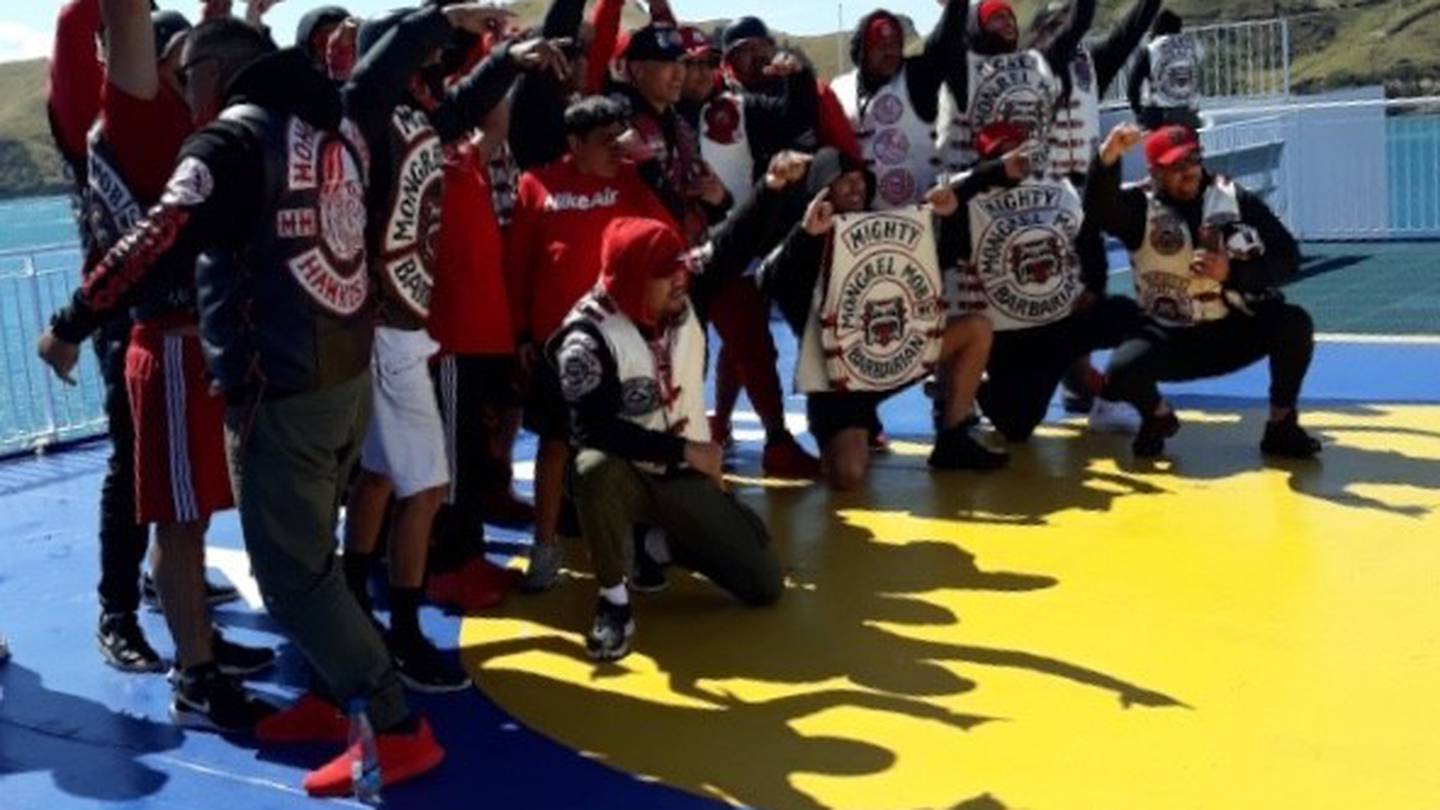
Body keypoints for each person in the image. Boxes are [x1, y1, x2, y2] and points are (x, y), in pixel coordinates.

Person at [58, 12, 500, 794]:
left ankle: (395, 727)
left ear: (215, 74)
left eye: (190, 74)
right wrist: (435, 22)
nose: (184, 89)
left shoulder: (229, 142)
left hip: (280, 390)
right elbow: (380, 75)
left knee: (292, 576)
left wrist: (70, 323)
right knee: (317, 557)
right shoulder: (330, 117)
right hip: (343, 379)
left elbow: (156, 234)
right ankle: (335, 700)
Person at [39, 0, 275, 721]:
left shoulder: (189, 127)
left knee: (192, 513)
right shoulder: (140, 120)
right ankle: (194, 674)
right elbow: (122, 24)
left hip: (201, 341)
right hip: (164, 344)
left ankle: (196, 637)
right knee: (172, 514)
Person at [339, 4, 564, 693]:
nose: (435, 73)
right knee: (426, 485)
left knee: (380, 477)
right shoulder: (365, 122)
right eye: (422, 63)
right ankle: (399, 628)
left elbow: (465, 107)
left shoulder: (412, 121)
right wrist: (447, 21)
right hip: (386, 328)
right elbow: (398, 85)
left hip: (399, 330)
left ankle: (360, 611)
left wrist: (505, 61)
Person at [551, 152, 810, 661]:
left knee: (763, 585)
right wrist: (685, 450)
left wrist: (773, 186)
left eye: (678, 270)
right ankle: (614, 602)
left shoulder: (681, 291)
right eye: (664, 274)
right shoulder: (584, 338)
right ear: (630, 279)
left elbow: (731, 242)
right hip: (632, 470)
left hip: (681, 475)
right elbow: (591, 430)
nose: (680, 281)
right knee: (591, 468)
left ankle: (658, 546)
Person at [506, 95, 681, 593]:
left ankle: (634, 547)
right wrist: (520, 333)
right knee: (555, 444)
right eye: (604, 141)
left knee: (629, 446)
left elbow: (669, 231)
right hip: (555, 345)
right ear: (574, 143)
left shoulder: (631, 180)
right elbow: (517, 266)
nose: (614, 149)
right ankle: (544, 547)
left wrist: (645, 165)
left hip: (623, 342)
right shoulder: (535, 184)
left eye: (619, 138)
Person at [757, 148, 1007, 490]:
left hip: (894, 358)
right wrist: (805, 235)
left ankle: (953, 436)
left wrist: (949, 217)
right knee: (847, 476)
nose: (855, 187)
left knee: (976, 329)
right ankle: (852, 432)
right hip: (838, 381)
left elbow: (938, 264)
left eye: (860, 179)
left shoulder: (884, 226)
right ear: (822, 189)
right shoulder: (803, 235)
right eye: (844, 182)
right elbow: (767, 280)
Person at [1086, 123, 1322, 459]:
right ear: (1155, 172)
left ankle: (1281, 425)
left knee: (1295, 323)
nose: (1188, 172)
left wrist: (1234, 272)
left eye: (1192, 160)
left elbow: (1289, 259)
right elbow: (1097, 209)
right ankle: (1156, 416)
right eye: (1176, 166)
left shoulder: (1234, 198)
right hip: (1172, 337)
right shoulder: (1139, 207)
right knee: (1122, 370)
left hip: (1234, 328)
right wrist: (1107, 159)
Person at [673, 24, 822, 479]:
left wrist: (798, 71)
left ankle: (773, 439)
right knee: (680, 360)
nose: (697, 73)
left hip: (729, 248)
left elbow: (795, 117)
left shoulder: (736, 109)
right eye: (687, 64)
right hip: (666, 261)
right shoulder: (642, 114)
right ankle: (685, 444)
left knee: (751, 344)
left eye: (705, 62)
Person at [943, 122, 1143, 443]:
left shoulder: (1059, 187)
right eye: (1002, 154)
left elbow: (1088, 235)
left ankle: (1109, 399)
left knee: (1130, 317)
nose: (1015, 159)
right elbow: (943, 235)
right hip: (1011, 335)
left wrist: (1094, 285)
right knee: (1016, 426)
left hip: (1064, 320)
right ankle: (974, 381)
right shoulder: (967, 204)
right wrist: (987, 176)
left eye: (1019, 151)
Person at [1030, 0, 1160, 421]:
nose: (1063, 30)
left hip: (1081, 194)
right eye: (1056, 23)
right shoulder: (1030, 66)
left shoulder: (1091, 64)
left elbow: (1128, 32)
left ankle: (1078, 374)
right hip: (1036, 197)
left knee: (1093, 279)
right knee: (1042, 286)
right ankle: (1038, 373)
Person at [830, 3, 967, 210]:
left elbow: (943, 44)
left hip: (926, 211)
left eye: (894, 43)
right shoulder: (840, 88)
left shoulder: (916, 76)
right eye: (880, 45)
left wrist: (955, 6)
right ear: (862, 52)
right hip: (865, 218)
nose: (890, 51)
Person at [936, 0, 1095, 176]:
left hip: (1031, 186)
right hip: (975, 188)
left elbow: (1078, 25)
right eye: (997, 17)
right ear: (978, 26)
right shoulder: (965, 70)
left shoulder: (1036, 61)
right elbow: (948, 39)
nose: (1008, 21)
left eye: (1010, 16)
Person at [1127, 10, 1204, 130]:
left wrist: (1139, 115)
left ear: (1156, 28)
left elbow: (1132, 87)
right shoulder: (1195, 47)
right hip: (1189, 114)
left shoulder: (1151, 50)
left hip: (1158, 116)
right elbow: (1198, 77)